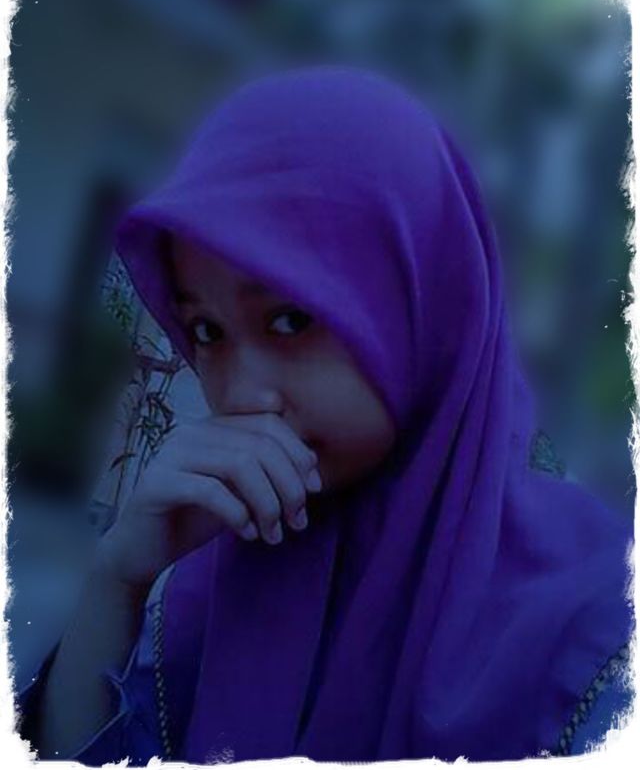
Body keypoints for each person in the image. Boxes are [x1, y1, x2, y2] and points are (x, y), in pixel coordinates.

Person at [16, 66, 634, 763]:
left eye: (289, 319)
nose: (242, 394)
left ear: (422, 307)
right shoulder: (207, 582)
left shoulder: (599, 617)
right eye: (207, 332)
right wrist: (118, 579)